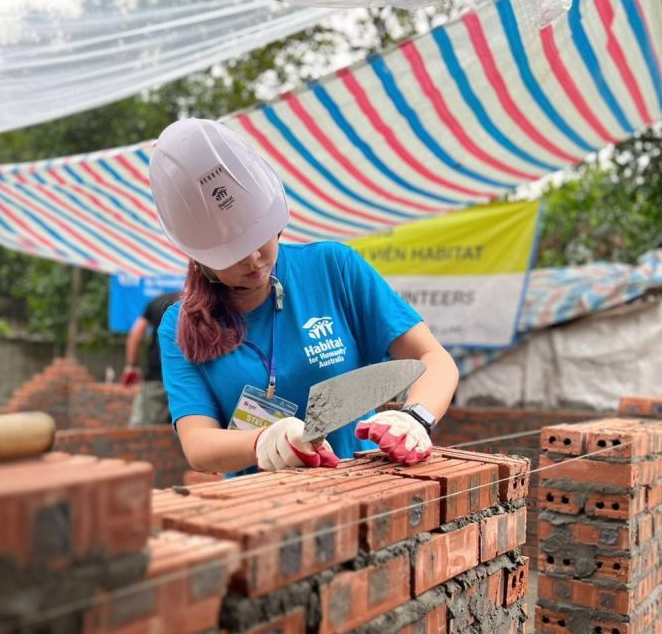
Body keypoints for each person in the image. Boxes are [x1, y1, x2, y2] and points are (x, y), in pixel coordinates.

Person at [150, 118, 459, 474]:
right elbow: (199, 446)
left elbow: (432, 356)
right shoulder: (179, 326)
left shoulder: (331, 268)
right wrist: (264, 439)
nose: (253, 259)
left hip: (361, 491)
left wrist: (415, 417)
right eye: (232, 253)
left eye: (259, 237)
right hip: (265, 510)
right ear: (200, 256)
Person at [123, 290, 182, 426]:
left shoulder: (158, 301)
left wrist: (132, 365)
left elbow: (136, 335)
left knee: (142, 428)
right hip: (189, 379)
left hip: (157, 378)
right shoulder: (200, 302)